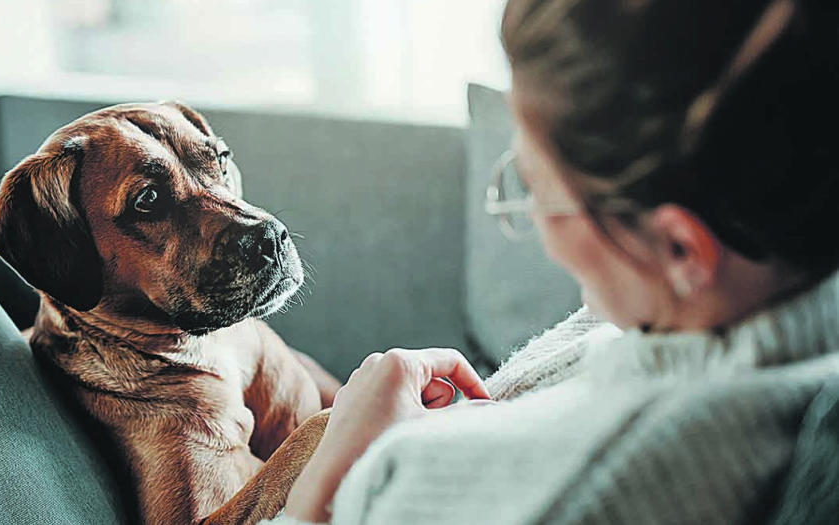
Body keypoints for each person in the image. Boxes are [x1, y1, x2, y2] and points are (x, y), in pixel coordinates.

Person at [262, 0, 839, 523]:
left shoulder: (559, 492)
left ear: (682, 250)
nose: (532, 220)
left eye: (536, 187)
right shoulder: (735, 297)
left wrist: (329, 476)